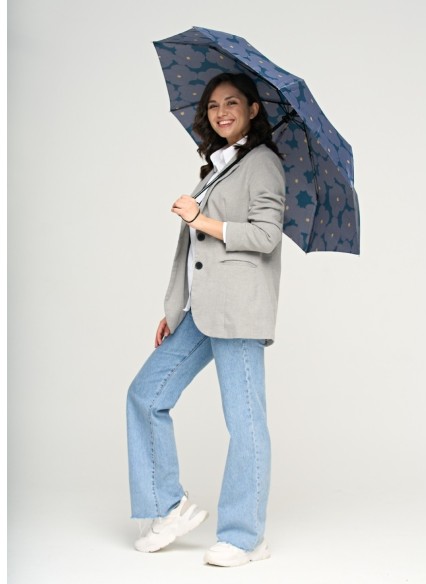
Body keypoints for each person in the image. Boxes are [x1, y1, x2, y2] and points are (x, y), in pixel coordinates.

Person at [126, 72, 286, 568]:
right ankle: (168, 506)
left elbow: (266, 236)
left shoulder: (263, 163)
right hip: (200, 310)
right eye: (214, 105)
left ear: (253, 110)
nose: (221, 112)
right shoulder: (218, 166)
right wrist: (175, 309)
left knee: (245, 423)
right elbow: (195, 253)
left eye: (232, 103)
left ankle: (245, 536)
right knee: (146, 395)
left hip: (239, 311)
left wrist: (201, 218)